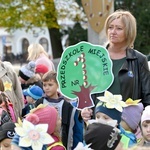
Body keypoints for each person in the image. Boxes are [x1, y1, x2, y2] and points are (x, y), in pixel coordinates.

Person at [81, 9, 150, 129]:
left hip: (127, 127)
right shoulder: (95, 58)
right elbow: (84, 92)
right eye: (110, 27)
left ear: (128, 32)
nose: (113, 32)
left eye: (119, 28)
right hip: (97, 125)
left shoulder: (139, 60)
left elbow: (147, 98)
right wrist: (83, 110)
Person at [35, 71, 83, 150]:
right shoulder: (39, 103)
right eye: (44, 85)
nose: (46, 88)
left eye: (50, 85)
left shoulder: (68, 107)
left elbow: (76, 131)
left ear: (58, 85)